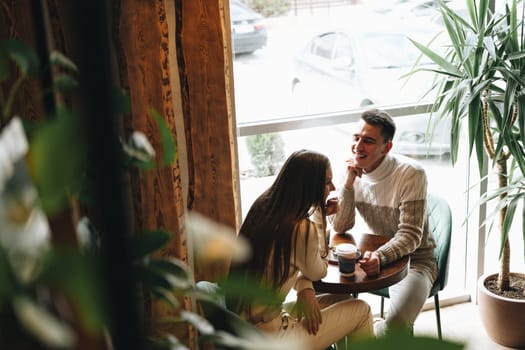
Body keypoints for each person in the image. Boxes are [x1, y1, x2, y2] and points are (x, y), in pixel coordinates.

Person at [228, 149, 373, 350]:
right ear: (310, 187)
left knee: (342, 300)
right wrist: (320, 214)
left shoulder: (264, 207)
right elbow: (318, 270)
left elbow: (289, 264)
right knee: (361, 310)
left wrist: (304, 288)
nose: (332, 187)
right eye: (326, 182)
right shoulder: (301, 228)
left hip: (247, 327)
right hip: (272, 337)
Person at [331, 109, 437, 336]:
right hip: (373, 259)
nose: (358, 146)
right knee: (328, 311)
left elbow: (410, 235)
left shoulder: (411, 174)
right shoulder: (350, 171)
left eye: (368, 141)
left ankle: (374, 331)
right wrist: (348, 185)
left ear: (386, 147)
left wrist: (381, 255)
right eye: (356, 138)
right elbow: (340, 226)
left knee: (395, 329)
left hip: (416, 262)